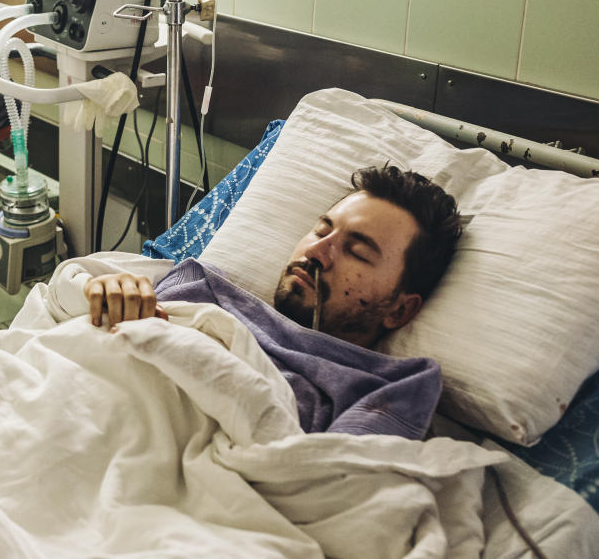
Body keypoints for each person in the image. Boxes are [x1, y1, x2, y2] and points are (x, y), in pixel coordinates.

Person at [67, 165, 463, 439]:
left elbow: (341, 491)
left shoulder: (380, 393)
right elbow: (59, 302)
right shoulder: (199, 285)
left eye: (357, 252)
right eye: (321, 230)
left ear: (399, 310)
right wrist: (97, 291)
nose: (318, 253)